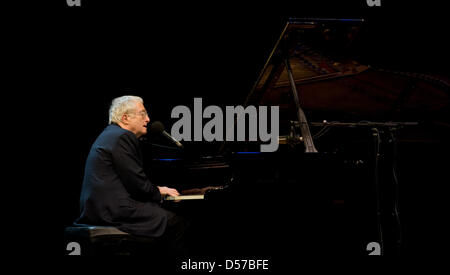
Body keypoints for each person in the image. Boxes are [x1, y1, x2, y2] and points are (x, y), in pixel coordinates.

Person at [75, 95, 188, 255]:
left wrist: (156, 190)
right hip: (114, 212)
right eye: (143, 114)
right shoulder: (122, 137)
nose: (148, 119)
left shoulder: (110, 134)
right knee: (176, 222)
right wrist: (158, 191)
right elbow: (137, 184)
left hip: (100, 209)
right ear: (125, 118)